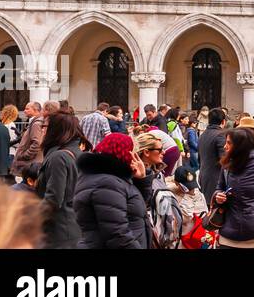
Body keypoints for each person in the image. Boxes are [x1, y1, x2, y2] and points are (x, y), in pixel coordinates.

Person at [73, 133, 150, 249]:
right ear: (123, 152)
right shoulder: (107, 183)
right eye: (131, 151)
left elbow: (137, 209)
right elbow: (117, 233)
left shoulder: (113, 179)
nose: (133, 156)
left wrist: (141, 179)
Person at [34, 111, 86, 248]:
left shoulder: (59, 157)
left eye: (44, 126)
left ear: (55, 130)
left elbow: (53, 199)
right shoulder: (77, 153)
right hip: (73, 227)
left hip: (59, 232)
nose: (42, 130)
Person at [197, 107, 227, 205]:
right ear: (223, 121)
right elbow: (224, 160)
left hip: (204, 176)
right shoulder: (220, 135)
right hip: (216, 179)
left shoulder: (203, 135)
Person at [11, 101, 45, 182]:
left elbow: (37, 143)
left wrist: (25, 155)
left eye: (27, 109)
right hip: (30, 163)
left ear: (36, 110)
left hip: (31, 163)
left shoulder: (36, 124)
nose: (24, 110)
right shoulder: (34, 122)